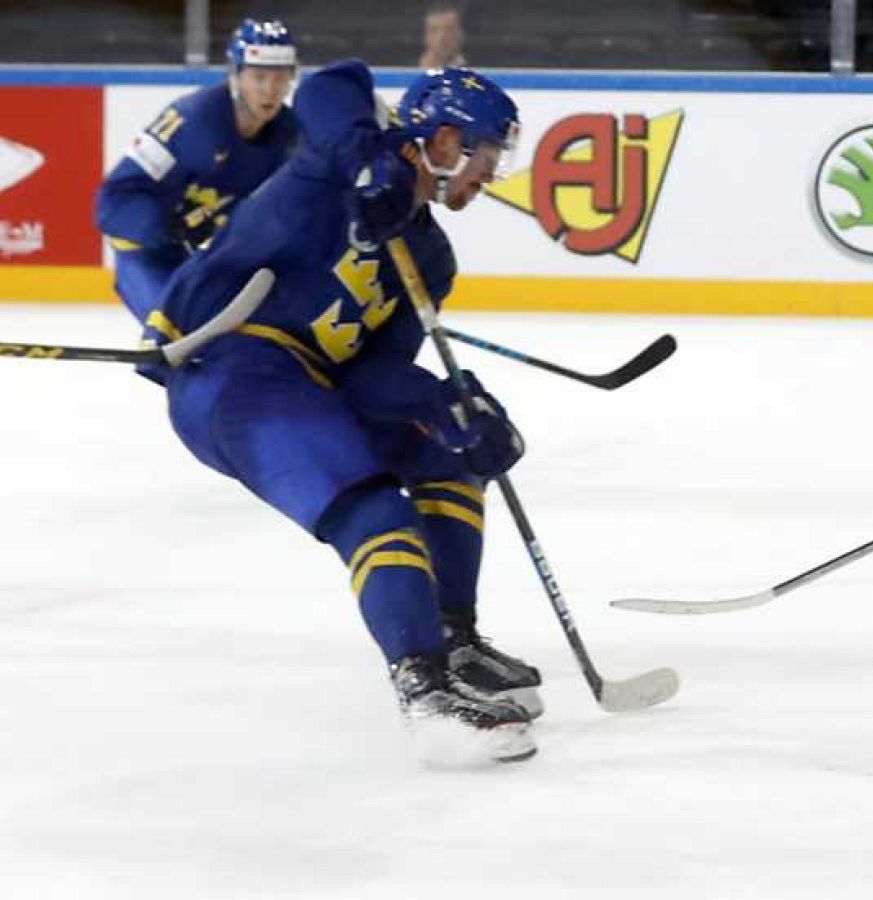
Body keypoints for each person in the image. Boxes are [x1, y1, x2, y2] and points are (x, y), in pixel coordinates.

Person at [144, 60, 541, 765]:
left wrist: (445, 406)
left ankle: (453, 640)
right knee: (375, 510)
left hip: (316, 386)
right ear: (444, 141)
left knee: (445, 451)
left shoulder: (429, 254)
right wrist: (367, 162)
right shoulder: (339, 164)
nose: (492, 173)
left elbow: (373, 375)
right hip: (235, 374)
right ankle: (426, 696)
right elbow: (334, 80)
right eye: (486, 154)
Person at [95, 18, 301, 328]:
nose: (270, 90)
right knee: (178, 327)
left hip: (210, 259)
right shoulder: (191, 119)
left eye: (280, 78)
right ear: (236, 76)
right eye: (259, 77)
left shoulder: (291, 135)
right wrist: (166, 229)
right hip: (149, 252)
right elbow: (114, 199)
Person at [419, 2, 467, 69]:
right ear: (425, 37)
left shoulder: (478, 69)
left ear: (460, 34)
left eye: (449, 29)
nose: (442, 37)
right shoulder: (405, 69)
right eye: (434, 30)